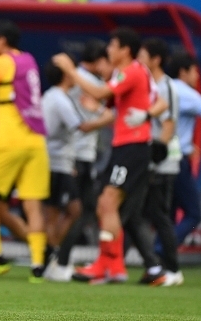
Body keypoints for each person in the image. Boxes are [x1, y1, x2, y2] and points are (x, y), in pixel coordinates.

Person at [53, 27, 168, 285]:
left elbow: (102, 93)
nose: (109, 49)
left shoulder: (131, 71)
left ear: (125, 49)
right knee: (110, 206)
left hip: (133, 147)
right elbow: (115, 102)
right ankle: (114, 266)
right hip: (125, 146)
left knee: (109, 204)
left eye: (113, 45)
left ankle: (108, 264)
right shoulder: (129, 73)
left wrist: (70, 71)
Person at [0, 21, 49, 283]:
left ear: (2, 40)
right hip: (37, 141)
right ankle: (38, 266)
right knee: (32, 205)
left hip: (11, 140)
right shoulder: (29, 61)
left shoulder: (2, 62)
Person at [41, 60, 113, 282]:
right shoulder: (60, 100)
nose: (75, 77)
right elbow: (81, 127)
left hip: (62, 162)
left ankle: (52, 258)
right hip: (56, 162)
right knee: (57, 213)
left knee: (73, 210)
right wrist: (108, 116)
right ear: (65, 77)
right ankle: (50, 261)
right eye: (71, 73)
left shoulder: (55, 96)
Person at [137, 39, 184, 286]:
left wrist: (156, 155)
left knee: (159, 215)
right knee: (142, 214)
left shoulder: (167, 86)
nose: (139, 59)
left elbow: (169, 124)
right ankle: (154, 265)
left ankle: (172, 268)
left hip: (163, 161)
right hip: (150, 158)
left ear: (155, 59)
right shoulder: (150, 83)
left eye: (143, 54)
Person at [165, 51, 201, 261]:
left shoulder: (165, 88)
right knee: (194, 213)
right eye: (194, 71)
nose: (197, 76)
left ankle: (160, 256)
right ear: (183, 72)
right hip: (176, 159)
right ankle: (162, 248)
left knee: (167, 212)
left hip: (163, 157)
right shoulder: (185, 93)